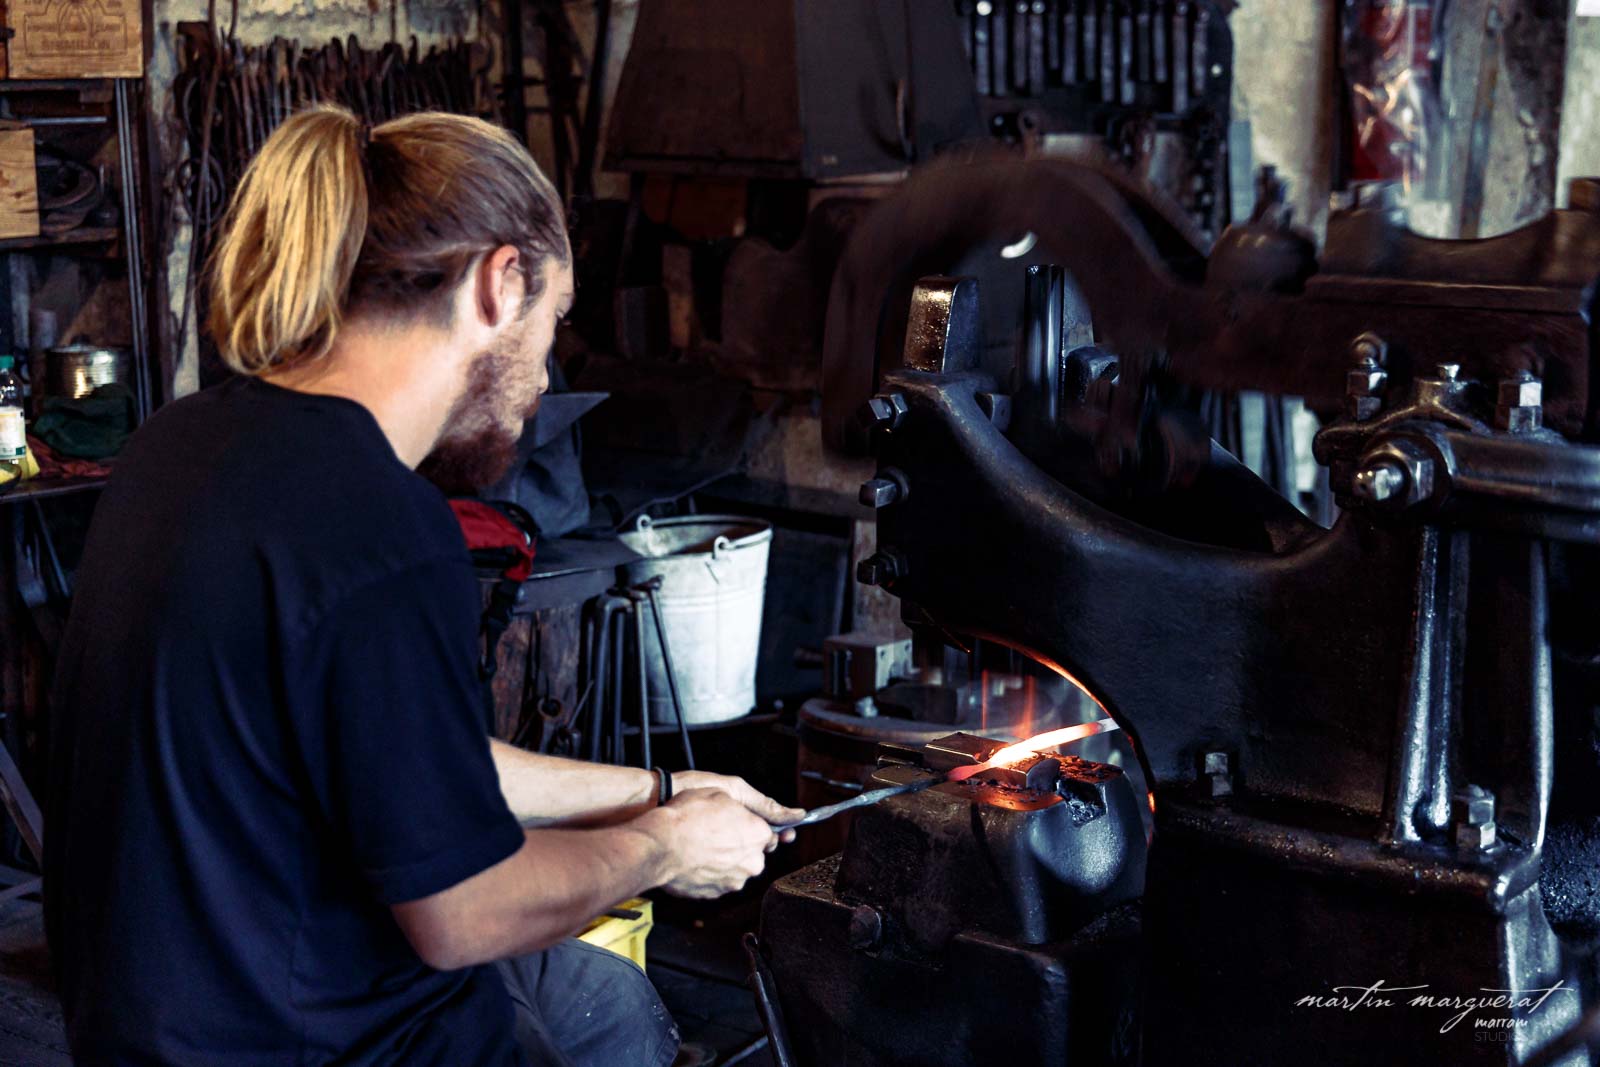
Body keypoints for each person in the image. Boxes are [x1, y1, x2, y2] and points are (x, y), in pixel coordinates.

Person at [43, 104, 802, 1066]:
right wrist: (665, 847)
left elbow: (410, 764)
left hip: (161, 1027)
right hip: (306, 1042)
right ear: (499, 283)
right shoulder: (382, 528)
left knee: (604, 998)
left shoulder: (180, 443)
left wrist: (658, 788)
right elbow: (464, 911)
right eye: (553, 324)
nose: (543, 379)